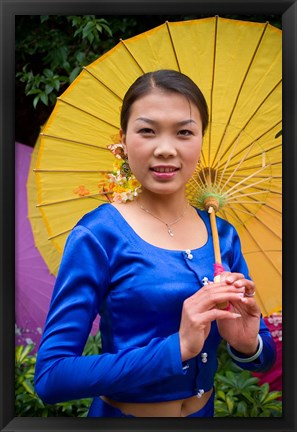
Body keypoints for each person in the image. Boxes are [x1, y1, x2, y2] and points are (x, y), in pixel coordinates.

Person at [34, 69, 276, 418]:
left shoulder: (222, 235)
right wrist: (176, 349)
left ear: (201, 139)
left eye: (184, 132)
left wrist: (245, 342)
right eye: (147, 131)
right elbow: (51, 377)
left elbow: (263, 358)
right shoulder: (99, 234)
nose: (165, 149)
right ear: (123, 139)